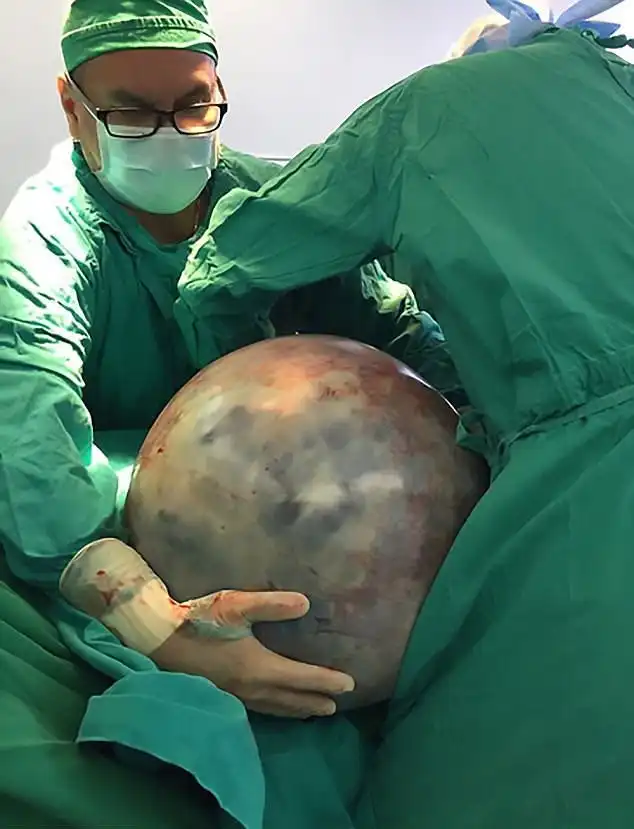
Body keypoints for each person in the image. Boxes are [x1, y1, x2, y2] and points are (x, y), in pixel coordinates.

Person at [0, 0, 465, 826]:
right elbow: (30, 439)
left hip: (342, 513)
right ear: (72, 106)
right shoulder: (45, 241)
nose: (169, 134)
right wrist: (155, 626)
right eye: (130, 113)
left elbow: (402, 337)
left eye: (193, 105)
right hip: (128, 525)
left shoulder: (278, 206)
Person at [172, 1, 634, 827]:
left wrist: (246, 381)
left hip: (594, 499)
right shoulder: (617, 83)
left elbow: (222, 272)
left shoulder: (421, 114)